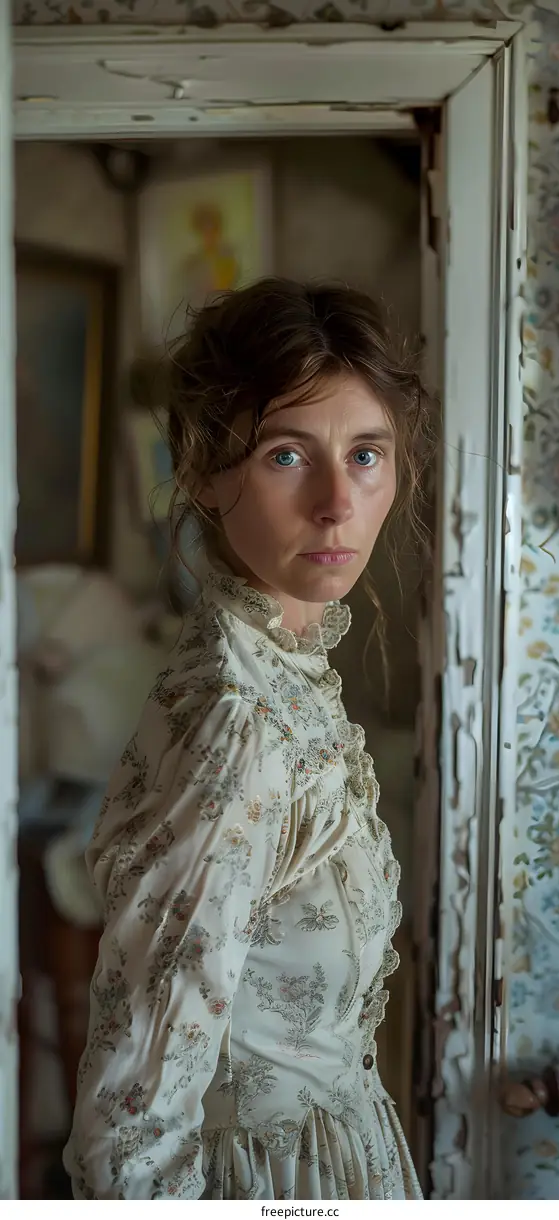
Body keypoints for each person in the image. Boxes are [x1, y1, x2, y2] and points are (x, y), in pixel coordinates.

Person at [63, 278, 428, 1201]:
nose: (338, 502)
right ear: (202, 471)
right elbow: (135, 1119)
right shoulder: (238, 720)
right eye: (286, 455)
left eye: (366, 454)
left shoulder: (286, 673)